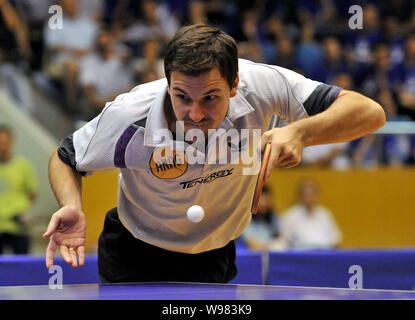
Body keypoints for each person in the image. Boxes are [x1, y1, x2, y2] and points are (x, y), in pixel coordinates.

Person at [43, 24, 385, 283]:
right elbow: (65, 157)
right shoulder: (128, 116)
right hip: (135, 251)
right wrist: (71, 205)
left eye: (210, 97)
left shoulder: (262, 85)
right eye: (182, 97)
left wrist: (299, 131)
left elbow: (369, 112)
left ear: (234, 85)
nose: (194, 113)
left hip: (214, 252)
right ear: (167, 83)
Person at [0, 126, 37, 254]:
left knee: (22, 266)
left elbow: (32, 194)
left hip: (18, 225)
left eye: (5, 142)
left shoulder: (23, 166)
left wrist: (23, 210)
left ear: (11, 142)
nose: (2, 146)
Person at [279, 179, 342, 250]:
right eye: (305, 194)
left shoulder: (325, 214)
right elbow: (283, 241)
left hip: (325, 254)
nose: (309, 198)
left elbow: (335, 241)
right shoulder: (290, 215)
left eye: (312, 194)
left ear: (317, 195)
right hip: (300, 255)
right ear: (299, 196)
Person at [241, 185, 281, 250]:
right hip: (252, 257)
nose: (263, 204)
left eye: (267, 199)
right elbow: (253, 245)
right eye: (261, 200)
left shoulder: (274, 216)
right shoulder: (245, 219)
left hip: (272, 256)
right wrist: (273, 246)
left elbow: (283, 240)